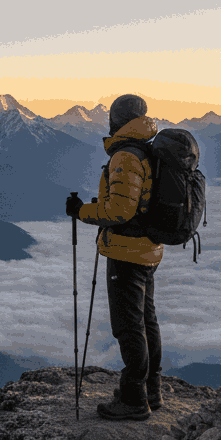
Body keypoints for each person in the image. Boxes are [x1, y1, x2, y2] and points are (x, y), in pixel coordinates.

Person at [66, 94, 163, 421]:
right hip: (148, 249)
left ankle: (134, 398)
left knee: (128, 325)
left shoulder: (126, 155)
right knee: (147, 321)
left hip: (126, 251)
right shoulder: (148, 149)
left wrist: (82, 211)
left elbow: (119, 211)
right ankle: (152, 389)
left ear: (117, 119)